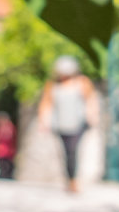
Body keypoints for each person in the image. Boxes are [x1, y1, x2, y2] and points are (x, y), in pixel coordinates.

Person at [39, 55, 93, 193]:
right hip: (61, 125)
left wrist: (92, 116)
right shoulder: (53, 86)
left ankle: (73, 181)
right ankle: (69, 179)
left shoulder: (82, 83)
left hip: (78, 124)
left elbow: (90, 100)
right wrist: (44, 121)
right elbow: (46, 104)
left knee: (73, 151)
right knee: (66, 153)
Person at [0, 111, 18, 180]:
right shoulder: (10, 127)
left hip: (6, 152)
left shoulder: (9, 127)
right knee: (3, 168)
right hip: (3, 152)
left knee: (6, 168)